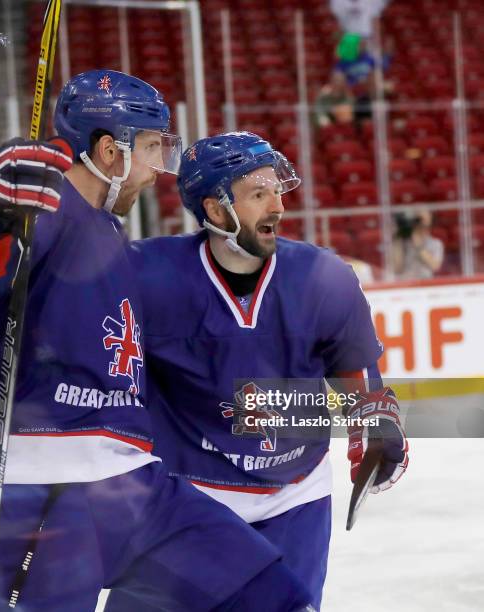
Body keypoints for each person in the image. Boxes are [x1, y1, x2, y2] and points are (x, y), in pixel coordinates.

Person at [0, 71, 315, 611]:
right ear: (110, 151)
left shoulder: (108, 228)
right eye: (153, 148)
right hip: (35, 494)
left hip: (132, 485)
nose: (161, 169)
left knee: (272, 595)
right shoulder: (44, 207)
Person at [105, 132, 409, 611]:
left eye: (276, 190)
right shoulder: (149, 277)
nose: (277, 207)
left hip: (294, 498)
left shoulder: (322, 276)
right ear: (216, 210)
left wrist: (373, 423)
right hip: (187, 500)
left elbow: (356, 368)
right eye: (257, 194)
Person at [392, 208, 444, 279]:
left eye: (422, 219)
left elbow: (435, 266)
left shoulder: (435, 243)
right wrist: (398, 240)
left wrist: (418, 244)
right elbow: (397, 268)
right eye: (417, 219)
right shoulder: (404, 242)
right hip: (406, 282)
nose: (420, 223)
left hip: (425, 282)